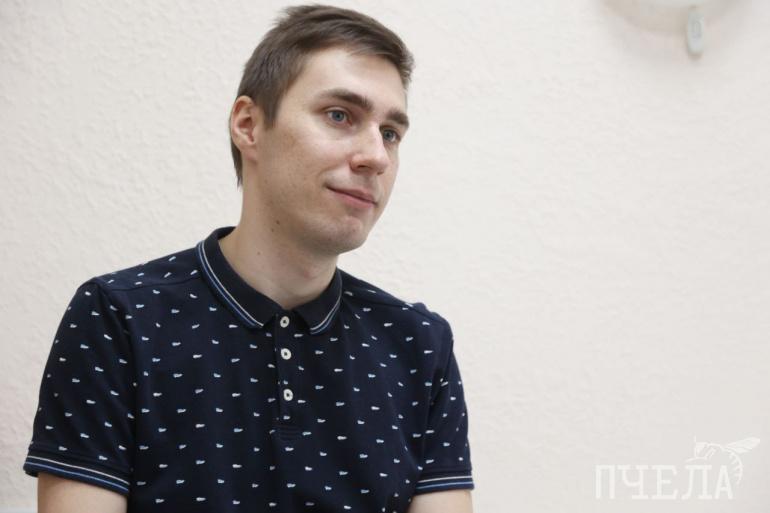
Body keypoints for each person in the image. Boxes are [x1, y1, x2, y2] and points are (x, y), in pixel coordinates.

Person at [22, 4, 474, 512]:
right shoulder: (118, 319)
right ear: (249, 125)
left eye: (390, 133)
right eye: (340, 115)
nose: (377, 157)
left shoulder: (419, 345)